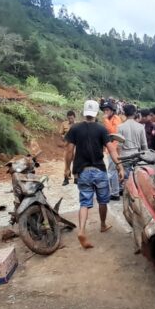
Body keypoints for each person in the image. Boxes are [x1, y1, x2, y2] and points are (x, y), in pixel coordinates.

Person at [65, 100, 124, 250]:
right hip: (99, 170)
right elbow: (111, 150)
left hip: (82, 172)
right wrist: (120, 166)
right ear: (97, 113)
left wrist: (66, 168)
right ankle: (103, 225)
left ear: (84, 112)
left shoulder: (75, 129)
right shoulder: (101, 129)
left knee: (84, 202)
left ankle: (82, 230)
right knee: (103, 200)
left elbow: (69, 151)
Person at [117, 104, 148, 178]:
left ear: (124, 113)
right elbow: (144, 145)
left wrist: (118, 162)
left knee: (125, 180)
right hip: (136, 156)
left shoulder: (120, 127)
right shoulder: (140, 127)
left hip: (124, 157)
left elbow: (119, 146)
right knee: (136, 179)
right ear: (135, 113)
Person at [101, 100, 122, 201]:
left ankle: (115, 193)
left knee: (112, 171)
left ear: (112, 110)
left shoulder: (116, 119)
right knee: (114, 170)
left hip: (114, 148)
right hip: (110, 148)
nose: (105, 112)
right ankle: (118, 189)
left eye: (107, 110)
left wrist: (105, 120)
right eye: (104, 110)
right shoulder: (109, 119)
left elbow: (113, 132)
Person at [61, 110, 76, 186]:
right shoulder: (64, 124)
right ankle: (66, 179)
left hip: (76, 146)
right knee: (67, 163)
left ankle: (76, 178)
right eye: (69, 118)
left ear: (74, 117)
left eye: (72, 118)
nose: (70, 120)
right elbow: (61, 134)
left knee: (76, 162)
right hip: (67, 146)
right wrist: (64, 137)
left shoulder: (78, 125)